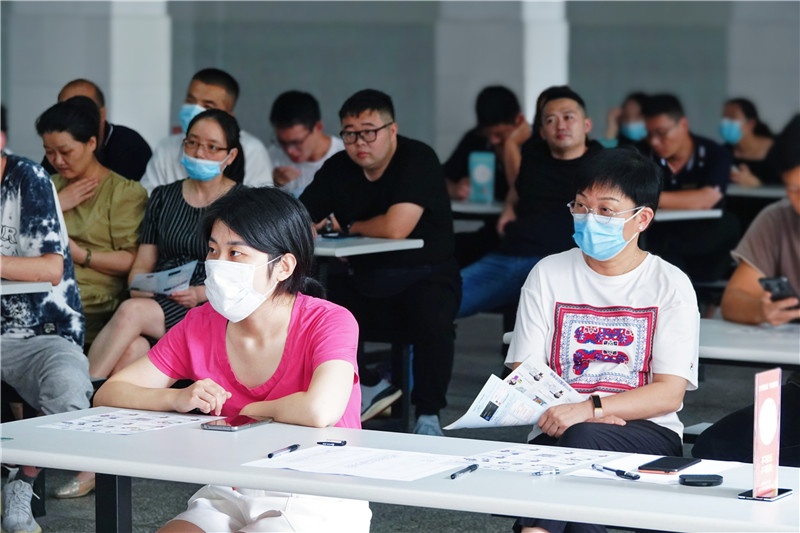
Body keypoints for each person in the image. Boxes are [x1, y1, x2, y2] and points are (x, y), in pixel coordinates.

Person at [94, 186, 371, 532]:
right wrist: (176, 398)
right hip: (233, 485)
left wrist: (250, 411)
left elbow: (319, 410)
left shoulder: (330, 321)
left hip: (319, 491)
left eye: (236, 253)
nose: (218, 264)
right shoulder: (202, 322)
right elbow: (110, 392)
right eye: (213, 250)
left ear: (283, 266)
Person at [507, 148, 699, 533]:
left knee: (580, 442)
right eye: (581, 206)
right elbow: (523, 369)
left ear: (642, 219)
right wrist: (585, 416)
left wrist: (591, 410)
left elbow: (668, 394)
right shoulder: (548, 273)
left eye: (606, 210)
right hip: (557, 425)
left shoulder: (670, 284)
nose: (589, 218)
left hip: (647, 432)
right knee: (581, 459)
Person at [300, 89, 461, 436]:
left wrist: (349, 227)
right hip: (363, 276)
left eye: (369, 132)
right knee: (320, 304)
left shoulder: (418, 158)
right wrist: (309, 228)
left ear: (392, 130)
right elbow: (298, 218)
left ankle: (428, 413)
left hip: (423, 275)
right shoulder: (338, 168)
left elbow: (395, 227)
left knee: (433, 316)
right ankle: (360, 388)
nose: (360, 142)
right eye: (350, 134)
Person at [88, 109, 243, 380]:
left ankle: (81, 395)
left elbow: (243, 270)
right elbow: (143, 261)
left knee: (130, 311)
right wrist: (139, 285)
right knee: (133, 349)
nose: (199, 153)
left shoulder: (242, 202)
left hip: (209, 303)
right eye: (192, 143)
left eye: (211, 147)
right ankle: (99, 402)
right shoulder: (163, 196)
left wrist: (200, 293)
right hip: (160, 296)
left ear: (230, 156)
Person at [692, 114, 800, 467]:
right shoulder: (779, 219)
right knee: (715, 449)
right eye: (792, 190)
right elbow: (735, 298)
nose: (797, 202)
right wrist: (760, 310)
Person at [1, 152, 93, 533]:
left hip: (44, 330)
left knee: (68, 392)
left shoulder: (29, 179)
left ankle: (22, 479)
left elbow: (50, 268)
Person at [458, 86, 603, 319]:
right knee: (440, 304)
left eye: (568, 117)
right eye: (551, 120)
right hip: (512, 255)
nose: (560, 126)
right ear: (542, 132)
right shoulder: (534, 157)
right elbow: (519, 187)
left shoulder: (603, 165)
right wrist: (509, 206)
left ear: (586, 125)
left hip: (564, 263)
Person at [36, 96, 148, 347]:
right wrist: (56, 204)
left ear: (91, 143)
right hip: (44, 281)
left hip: (94, 292)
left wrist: (80, 255)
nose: (57, 160)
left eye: (66, 152)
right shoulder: (48, 185)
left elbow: (131, 259)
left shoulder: (123, 192)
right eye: (49, 152)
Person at [642, 94, 740, 283]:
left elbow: (707, 199)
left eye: (662, 133)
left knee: (730, 224)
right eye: (649, 134)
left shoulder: (714, 154)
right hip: (658, 237)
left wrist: (652, 198)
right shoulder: (642, 154)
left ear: (683, 125)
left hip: (703, 236)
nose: (654, 141)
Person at [140, 68, 272, 194]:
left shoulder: (252, 150)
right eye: (190, 101)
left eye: (207, 106)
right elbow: (148, 198)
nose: (194, 110)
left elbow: (262, 204)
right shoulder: (166, 147)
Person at [444, 86, 529, 267]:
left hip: (522, 238)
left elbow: (522, 190)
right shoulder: (476, 139)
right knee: (444, 248)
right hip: (490, 231)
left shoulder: (536, 145)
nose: (493, 140)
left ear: (519, 121)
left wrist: (511, 146)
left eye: (500, 134)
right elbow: (440, 178)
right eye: (488, 134)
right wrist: (455, 188)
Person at [40, 78, 153, 181]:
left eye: (66, 152)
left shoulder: (130, 146)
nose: (59, 161)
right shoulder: (57, 152)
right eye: (65, 113)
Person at [267, 90, 344, 197]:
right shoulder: (273, 156)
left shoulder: (345, 156)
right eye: (282, 142)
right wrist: (272, 183)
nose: (289, 151)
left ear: (318, 127)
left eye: (297, 142)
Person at [720, 97, 778, 187]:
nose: (725, 123)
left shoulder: (779, 151)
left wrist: (757, 186)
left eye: (732, 118)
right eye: (724, 118)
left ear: (750, 123)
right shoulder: (723, 153)